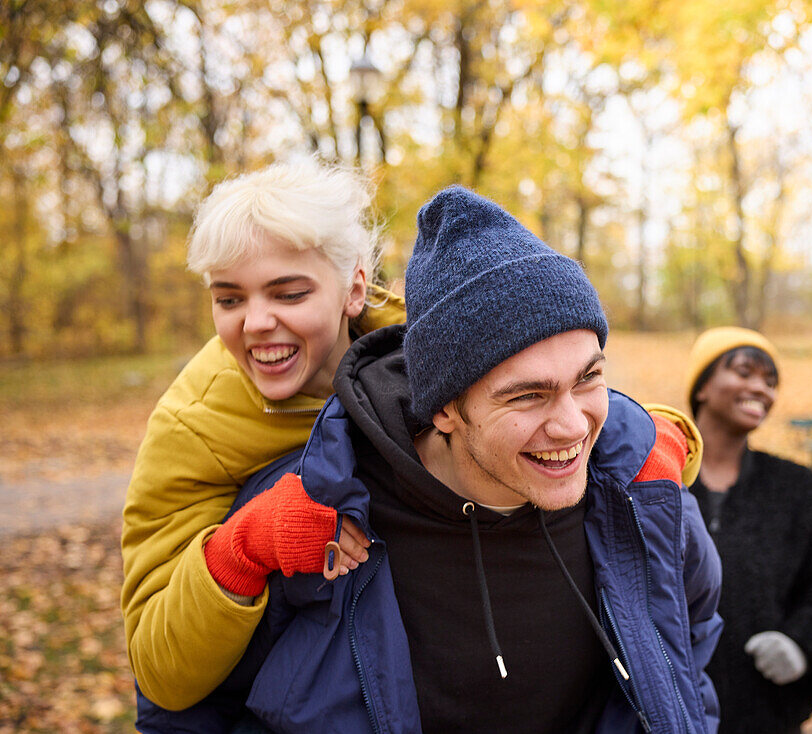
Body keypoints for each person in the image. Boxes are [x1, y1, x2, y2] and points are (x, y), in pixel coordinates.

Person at [202, 186, 723, 733]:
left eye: (588, 378)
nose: (573, 425)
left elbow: (689, 654)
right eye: (528, 395)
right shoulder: (315, 512)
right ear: (446, 409)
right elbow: (200, 708)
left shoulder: (643, 497)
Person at [120, 159, 404, 713]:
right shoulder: (192, 425)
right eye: (229, 299)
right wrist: (245, 546)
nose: (253, 323)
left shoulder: (420, 353)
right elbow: (159, 668)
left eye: (288, 293)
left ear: (354, 289)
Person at [685, 327, 812, 734]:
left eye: (770, 382)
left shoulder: (798, 489)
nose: (761, 388)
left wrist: (803, 645)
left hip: (763, 714)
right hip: (657, 714)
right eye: (744, 372)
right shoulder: (651, 483)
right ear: (702, 387)